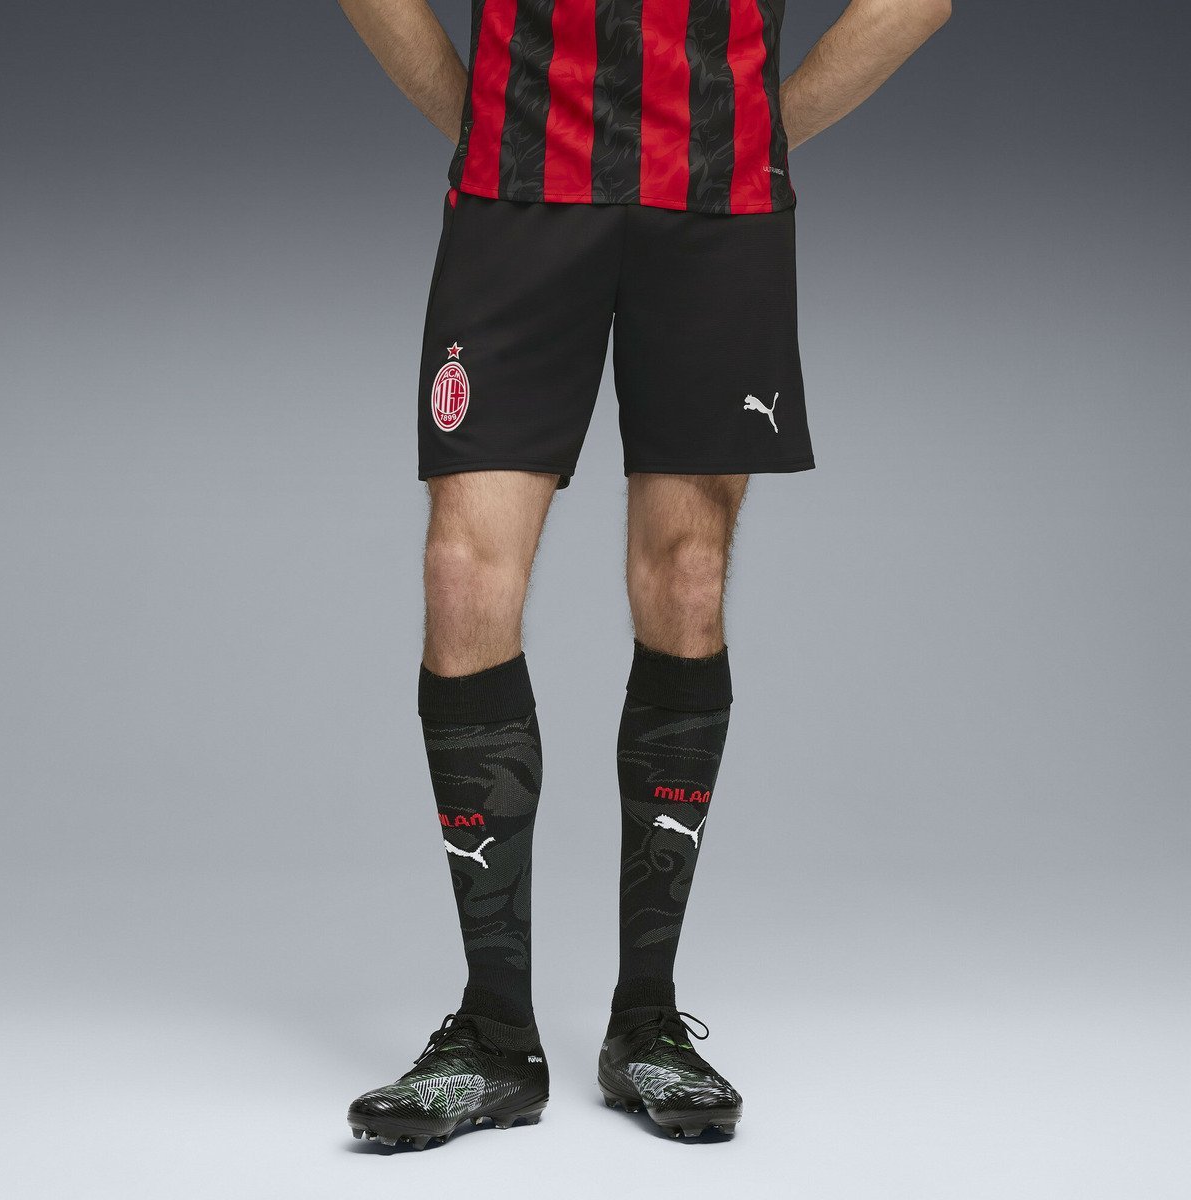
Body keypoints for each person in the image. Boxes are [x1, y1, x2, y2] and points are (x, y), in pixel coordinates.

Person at [338, 0, 950, 1148]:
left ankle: (648, 1021)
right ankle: (493, 1034)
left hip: (717, 204)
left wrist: (759, 124)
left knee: (686, 577)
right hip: (520, 195)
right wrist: (486, 118)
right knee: (464, 573)